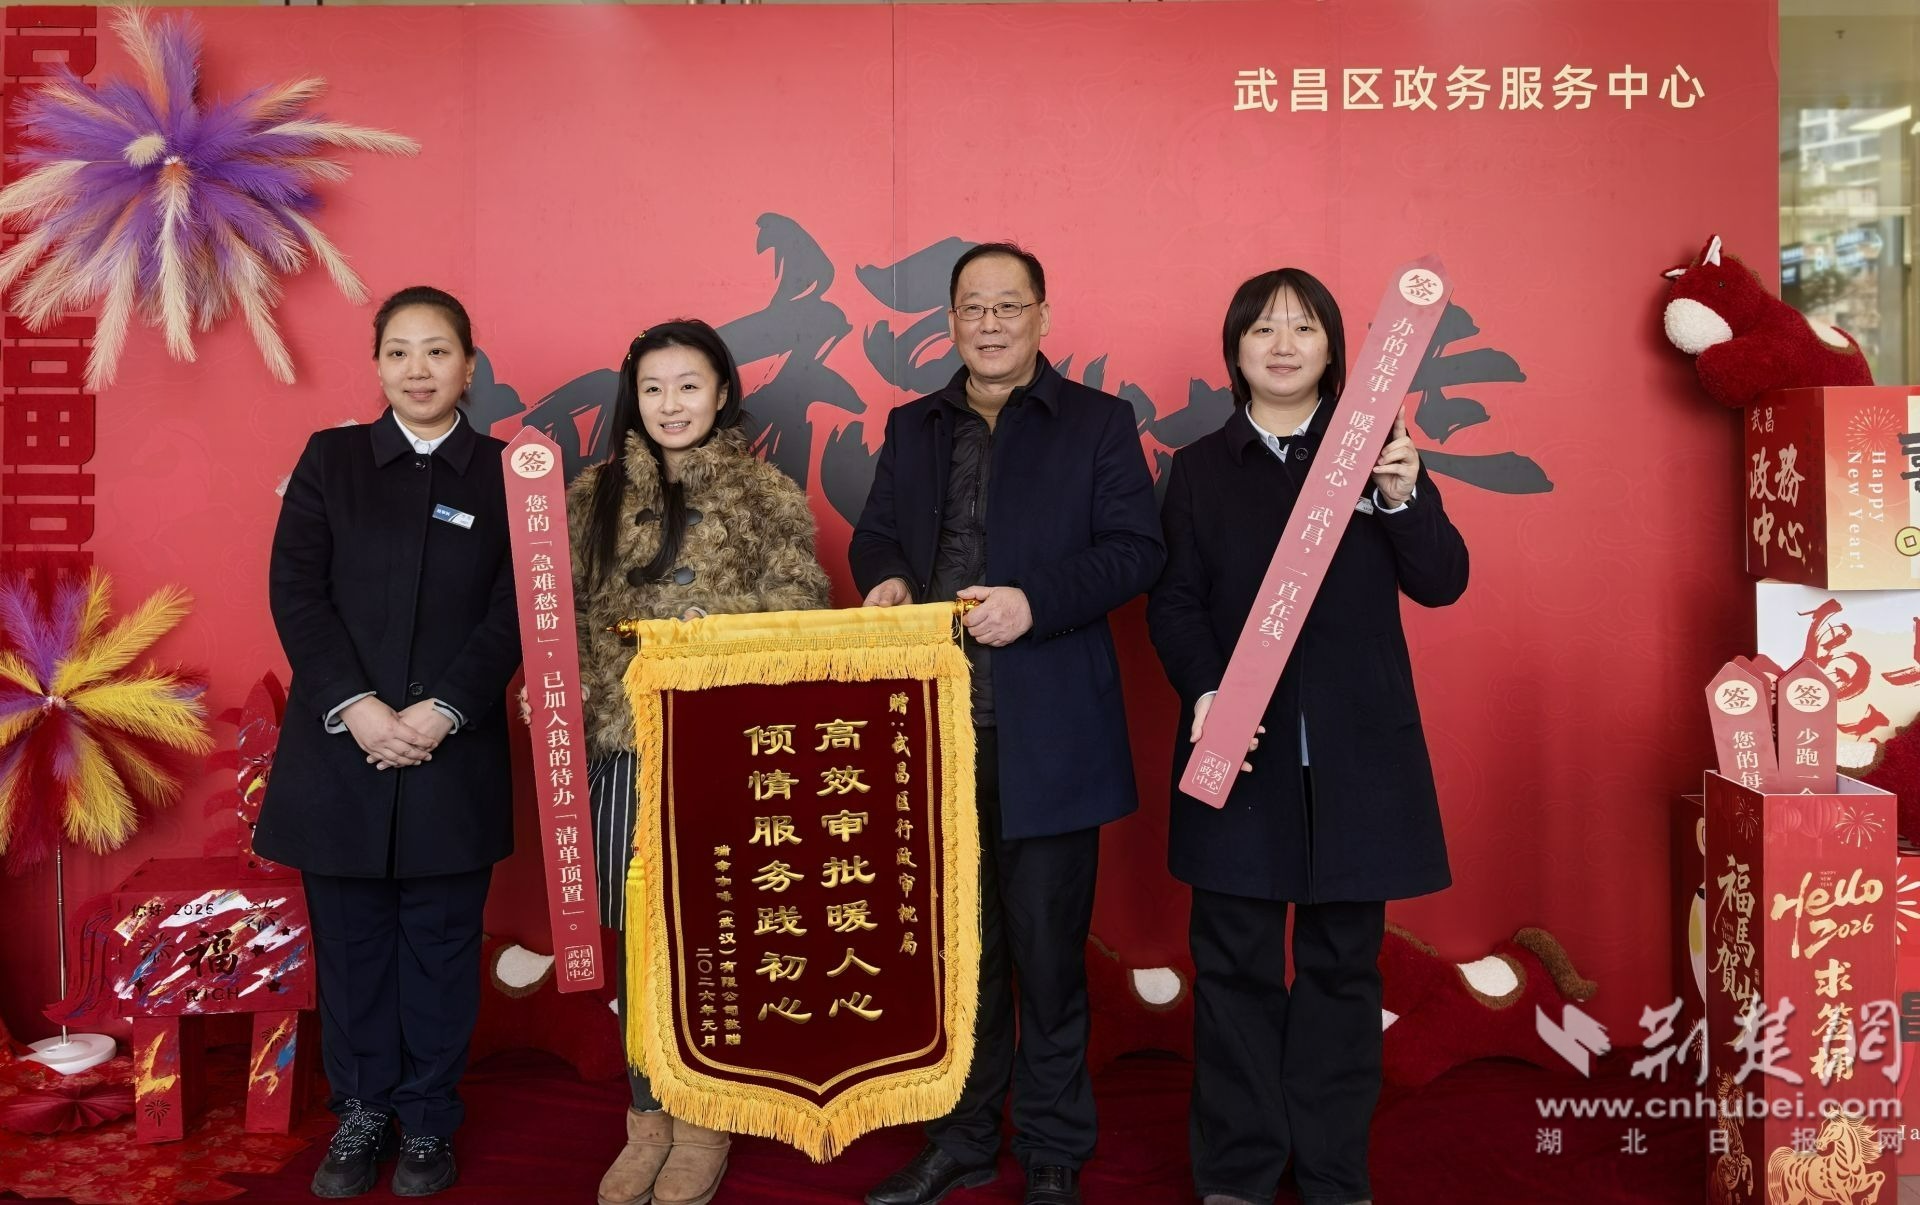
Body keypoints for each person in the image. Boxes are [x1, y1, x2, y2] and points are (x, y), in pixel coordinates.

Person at [1145, 268, 1468, 1205]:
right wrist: (1208, 691)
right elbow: (1174, 602)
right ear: (1234, 350)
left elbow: (1442, 581)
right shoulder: (1198, 469)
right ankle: (1239, 1172)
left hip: (1357, 760)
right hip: (1239, 754)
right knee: (1233, 968)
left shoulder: (1376, 451)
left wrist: (1405, 496)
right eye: (1262, 329)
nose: (1282, 345)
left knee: (1342, 970)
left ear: (1335, 349)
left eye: (1303, 327)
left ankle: (1333, 1171)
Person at [852, 243, 1165, 1205]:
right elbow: (875, 534)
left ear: (1042, 316)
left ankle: (1055, 1145)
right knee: (961, 950)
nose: (989, 323)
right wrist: (886, 578)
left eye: (1008, 305)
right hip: (935, 730)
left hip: (1052, 731)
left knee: (1048, 952)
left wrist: (1036, 602)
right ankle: (963, 1137)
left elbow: (1136, 551)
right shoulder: (913, 425)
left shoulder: (1098, 423)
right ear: (950, 321)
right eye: (972, 307)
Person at [255, 286, 522, 1199]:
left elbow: (516, 609)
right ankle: (363, 1110)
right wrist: (358, 706)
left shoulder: (507, 474)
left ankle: (430, 1117)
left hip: (455, 750)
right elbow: (297, 592)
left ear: (469, 367)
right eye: (399, 351)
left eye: (438, 351)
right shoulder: (330, 461)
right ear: (376, 365)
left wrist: (446, 708)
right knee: (353, 943)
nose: (418, 369)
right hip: (342, 751)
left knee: (442, 947)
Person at [565, 320, 831, 1205]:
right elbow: (562, 619)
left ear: (721, 394)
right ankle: (647, 1117)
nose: (670, 404)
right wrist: (553, 692)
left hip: (725, 748)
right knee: (640, 939)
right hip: (624, 747)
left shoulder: (765, 494)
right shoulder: (591, 496)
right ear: (632, 399)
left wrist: (724, 644)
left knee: (715, 934)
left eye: (688, 386)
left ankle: (705, 1118)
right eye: (653, 388)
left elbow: (801, 613)